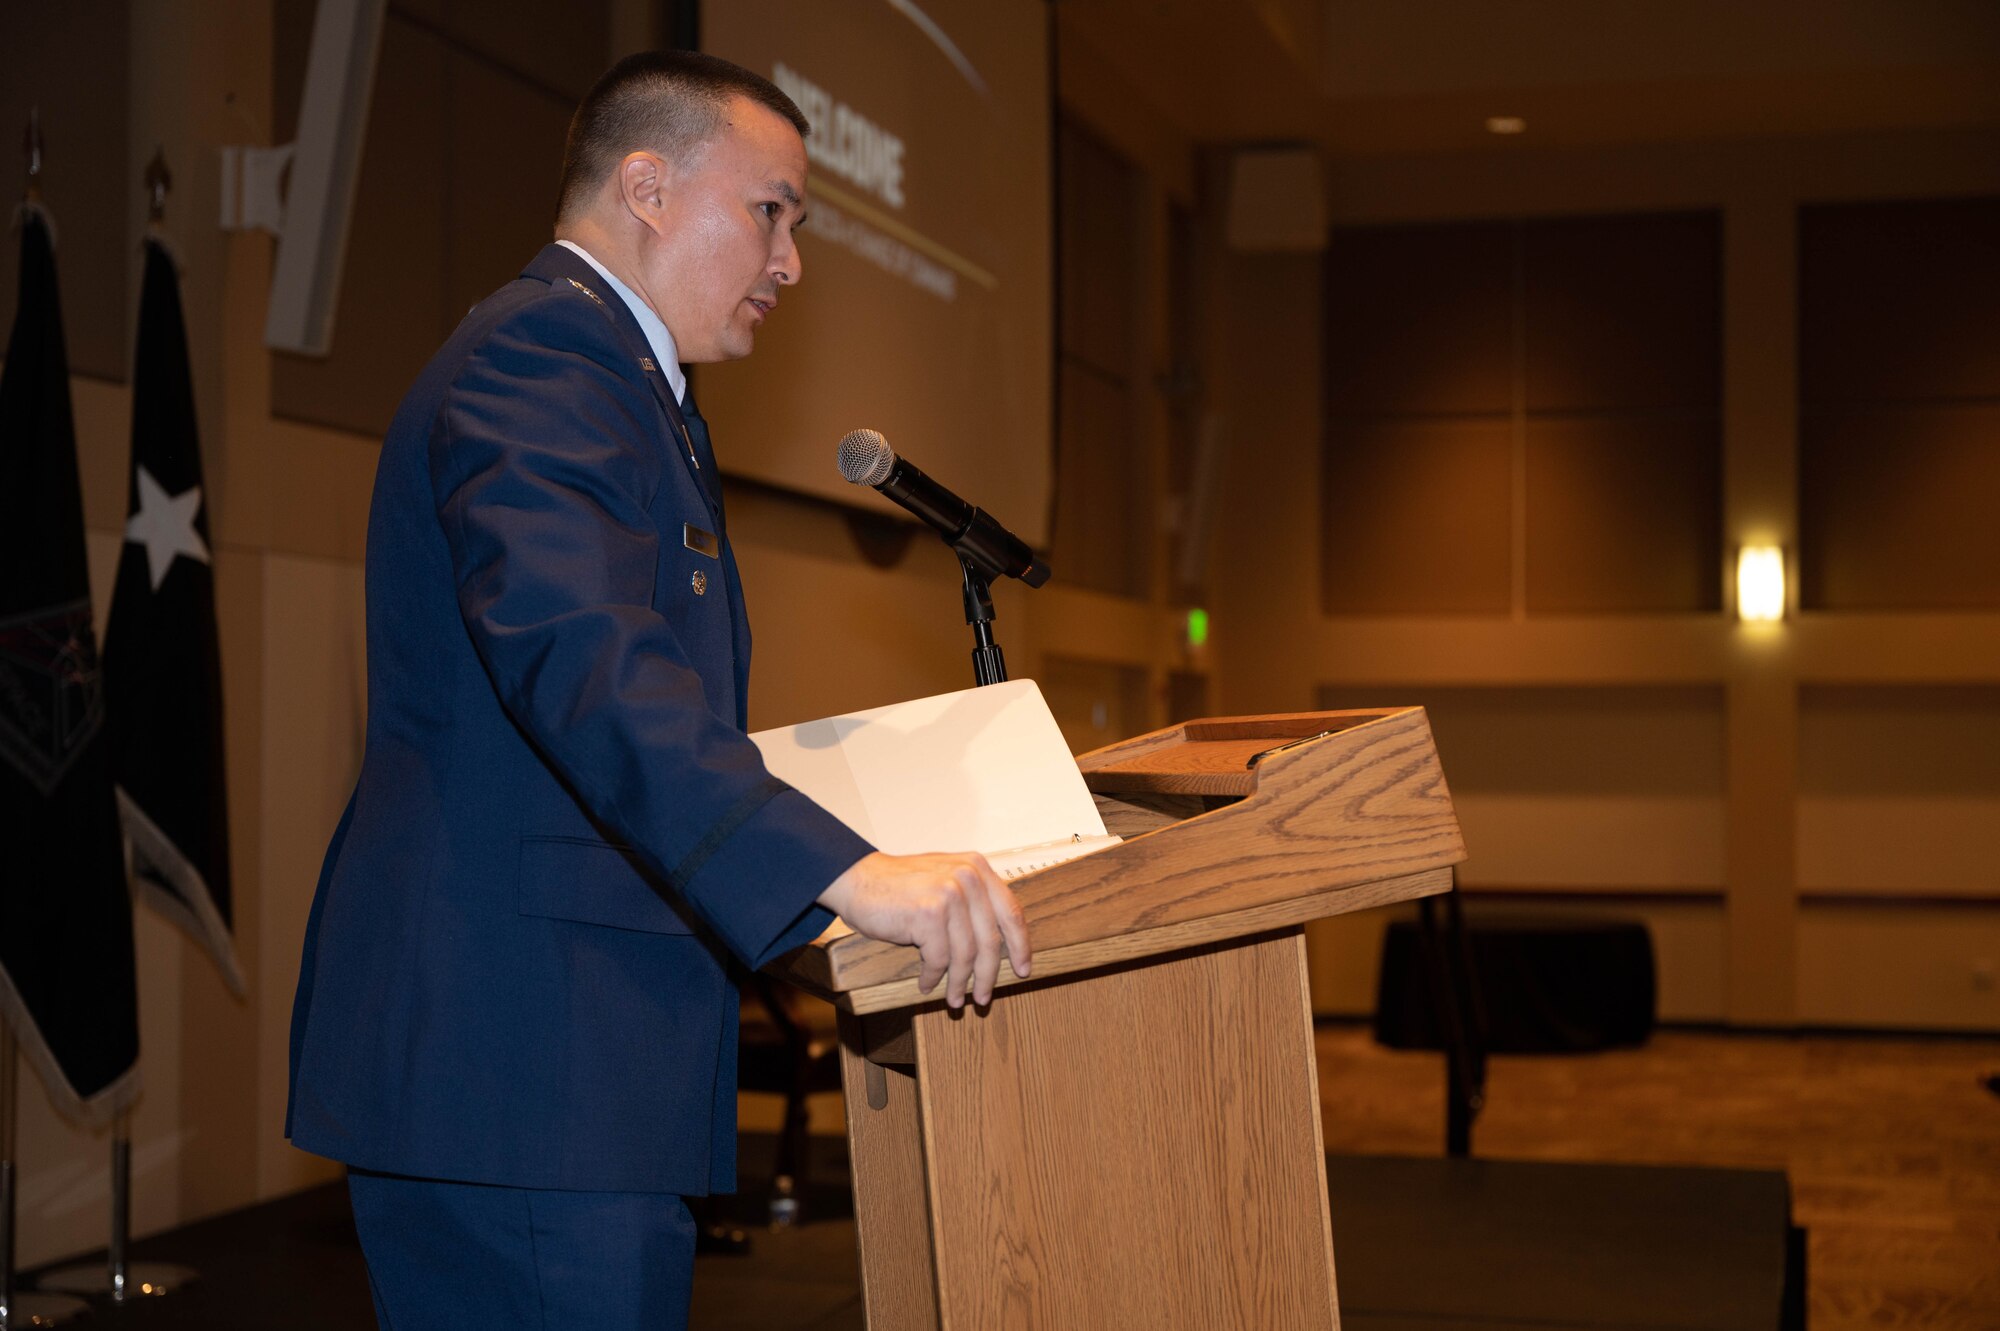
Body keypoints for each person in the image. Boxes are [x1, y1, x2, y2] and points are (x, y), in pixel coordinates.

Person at [286, 51, 1031, 1330]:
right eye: (771, 209)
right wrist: (845, 869)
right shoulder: (543, 360)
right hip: (523, 1064)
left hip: (562, 1070)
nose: (790, 260)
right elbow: (588, 666)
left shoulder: (626, 387)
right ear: (645, 185)